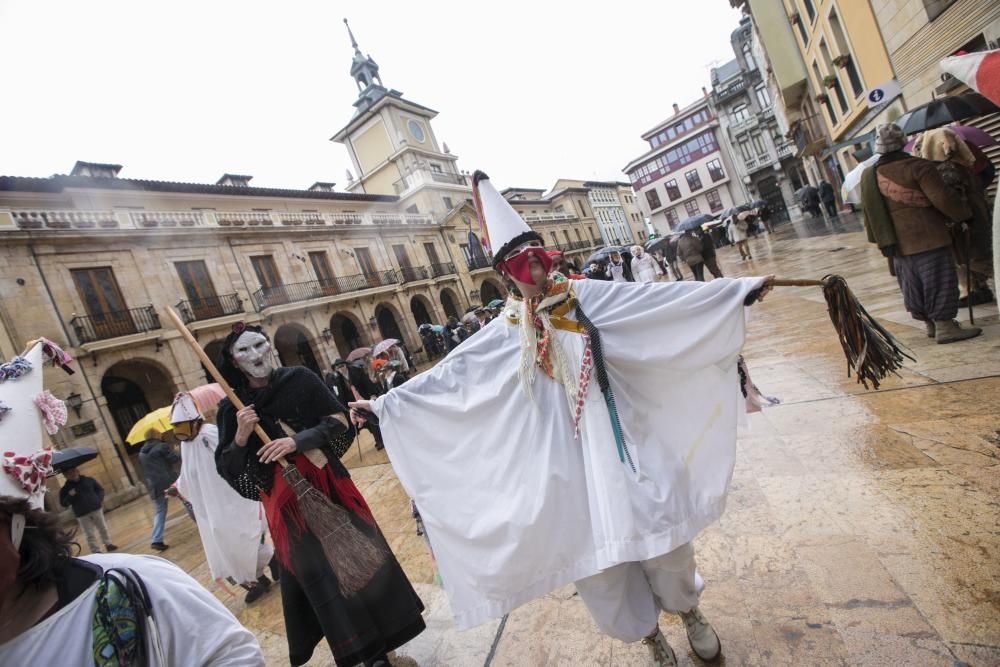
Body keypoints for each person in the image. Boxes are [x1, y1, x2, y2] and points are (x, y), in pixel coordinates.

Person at [352, 171, 777, 666]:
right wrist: (388, 404)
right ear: (505, 274)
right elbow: (452, 376)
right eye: (521, 262)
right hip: (561, 463)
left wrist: (735, 292)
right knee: (597, 563)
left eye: (539, 255)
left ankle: (688, 611)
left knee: (663, 536)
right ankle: (646, 636)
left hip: (625, 441)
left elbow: (657, 303)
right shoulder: (503, 331)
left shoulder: (588, 294)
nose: (535, 269)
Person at [214, 323, 425, 667]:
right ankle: (362, 655)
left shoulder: (300, 379)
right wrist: (240, 435)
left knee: (367, 565)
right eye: (245, 351)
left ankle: (388, 651)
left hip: (332, 490)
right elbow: (229, 469)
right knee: (324, 581)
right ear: (234, 362)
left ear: (270, 347)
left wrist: (297, 441)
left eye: (260, 345)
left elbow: (340, 420)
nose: (256, 355)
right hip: (290, 513)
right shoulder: (231, 410)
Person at [860, 123, 980, 343]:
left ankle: (930, 325)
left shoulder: (870, 175)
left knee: (912, 285)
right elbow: (942, 199)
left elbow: (869, 214)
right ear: (903, 142)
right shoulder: (919, 167)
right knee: (939, 280)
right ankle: (945, 326)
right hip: (929, 236)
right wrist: (964, 215)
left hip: (896, 243)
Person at [170, 393, 278, 604]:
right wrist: (177, 486)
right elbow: (187, 472)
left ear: (195, 422)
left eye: (182, 425)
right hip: (211, 506)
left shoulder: (210, 434)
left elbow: (232, 457)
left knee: (247, 535)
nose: (179, 432)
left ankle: (274, 562)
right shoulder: (186, 445)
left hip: (232, 498)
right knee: (227, 544)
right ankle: (256, 580)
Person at [915, 127, 995, 307]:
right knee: (971, 257)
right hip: (975, 215)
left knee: (976, 258)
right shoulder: (961, 163)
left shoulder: (945, 170)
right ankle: (978, 289)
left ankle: (981, 286)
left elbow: (949, 200)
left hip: (965, 221)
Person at [58, 467, 117, 554]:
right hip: (82, 513)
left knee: (103, 528)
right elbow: (63, 503)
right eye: (69, 473)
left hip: (96, 508)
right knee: (89, 533)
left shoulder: (89, 480)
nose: (72, 474)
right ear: (65, 476)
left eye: (73, 471)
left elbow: (100, 490)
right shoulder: (65, 489)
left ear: (78, 471)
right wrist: (70, 496)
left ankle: (108, 544)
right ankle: (95, 550)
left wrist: (98, 499)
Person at [138, 430, 179, 552]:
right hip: (168, 481)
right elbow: (174, 459)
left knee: (160, 511)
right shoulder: (162, 446)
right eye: (159, 433)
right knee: (187, 500)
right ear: (156, 436)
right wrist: (176, 450)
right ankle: (202, 523)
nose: (161, 435)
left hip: (154, 485)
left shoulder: (141, 453)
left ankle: (156, 540)